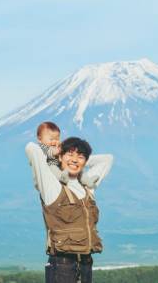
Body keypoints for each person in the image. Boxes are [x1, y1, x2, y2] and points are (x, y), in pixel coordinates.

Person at [25, 136, 113, 283]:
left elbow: (107, 159)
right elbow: (31, 148)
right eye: (70, 154)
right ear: (60, 156)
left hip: (85, 263)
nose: (74, 159)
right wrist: (57, 154)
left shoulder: (88, 185)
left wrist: (75, 160)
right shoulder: (52, 186)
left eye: (80, 156)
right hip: (62, 265)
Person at [36, 121, 99, 188]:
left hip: (59, 165)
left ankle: (88, 181)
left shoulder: (55, 146)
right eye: (51, 139)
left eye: (57, 139)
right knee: (53, 168)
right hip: (50, 165)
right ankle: (61, 178)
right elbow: (49, 153)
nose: (54, 142)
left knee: (80, 171)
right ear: (40, 139)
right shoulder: (41, 147)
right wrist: (58, 151)